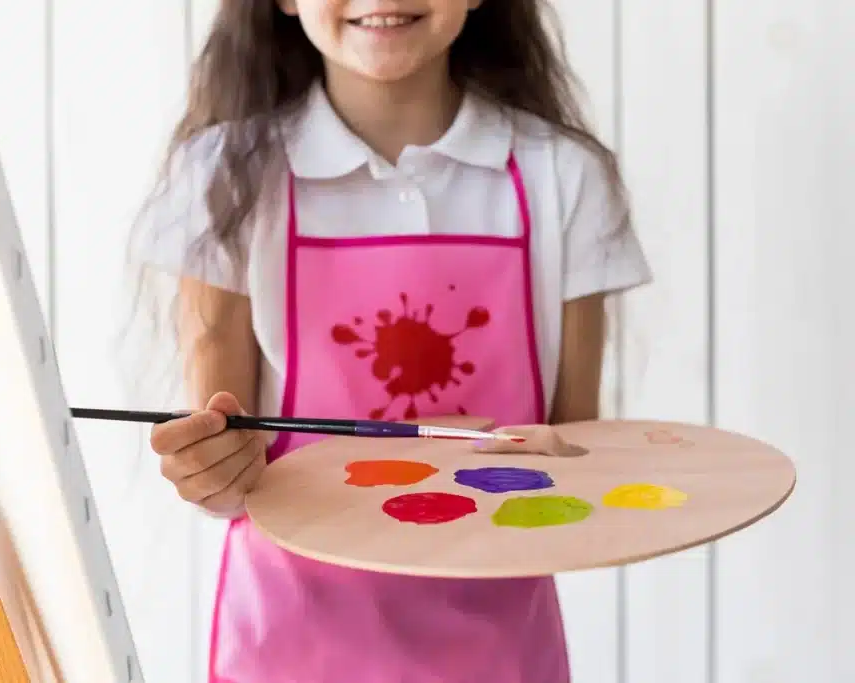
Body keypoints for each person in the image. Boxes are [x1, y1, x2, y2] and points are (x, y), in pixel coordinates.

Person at [133, 1, 652, 681]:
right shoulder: (222, 176)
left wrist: (529, 460)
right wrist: (207, 468)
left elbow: (577, 459)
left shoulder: (565, 177)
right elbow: (228, 470)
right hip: (291, 645)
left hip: (497, 652)